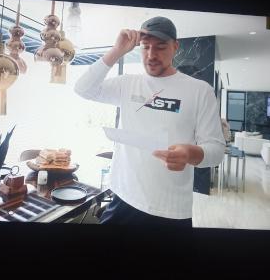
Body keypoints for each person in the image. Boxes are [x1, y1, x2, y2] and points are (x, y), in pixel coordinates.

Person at [74, 16, 225, 225]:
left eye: (161, 47)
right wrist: (116, 50)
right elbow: (83, 89)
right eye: (145, 47)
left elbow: (216, 151)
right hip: (122, 198)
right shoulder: (128, 83)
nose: (151, 55)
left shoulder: (200, 91)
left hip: (170, 211)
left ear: (175, 47)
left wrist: (191, 153)